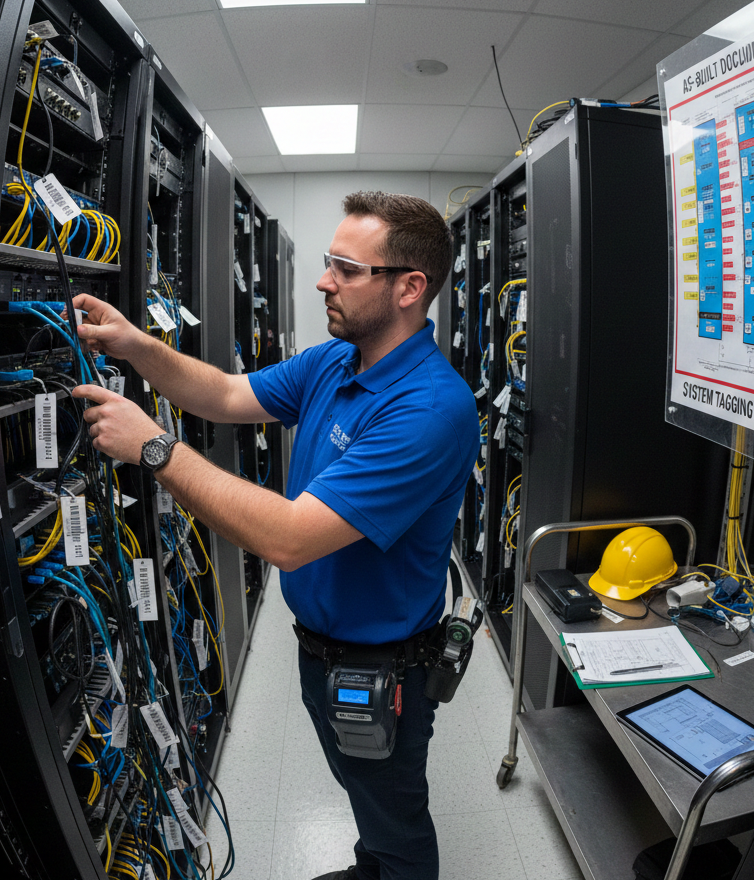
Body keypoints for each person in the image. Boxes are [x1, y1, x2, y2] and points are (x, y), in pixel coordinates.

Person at [72, 190, 480, 880]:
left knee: (395, 815)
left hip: (382, 667)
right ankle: (373, 865)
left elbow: (290, 538)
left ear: (410, 288)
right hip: (320, 649)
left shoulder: (431, 409)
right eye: (328, 263)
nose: (323, 281)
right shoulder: (334, 362)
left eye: (346, 269)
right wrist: (137, 346)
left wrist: (154, 448)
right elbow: (227, 395)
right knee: (368, 796)